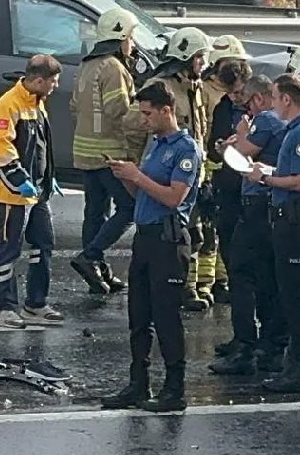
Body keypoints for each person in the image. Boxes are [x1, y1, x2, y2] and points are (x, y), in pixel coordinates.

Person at [101, 81, 202, 413]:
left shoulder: (185, 149)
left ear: (166, 111)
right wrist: (127, 177)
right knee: (139, 314)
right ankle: (138, 384)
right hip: (145, 236)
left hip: (168, 240)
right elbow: (142, 195)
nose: (143, 120)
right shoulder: (155, 144)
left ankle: (175, 389)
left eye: (147, 114)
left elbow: (174, 198)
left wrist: (138, 176)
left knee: (166, 315)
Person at [246, 73, 300, 393]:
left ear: (288, 100)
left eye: (276, 98)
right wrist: (271, 173)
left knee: (293, 297)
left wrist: (265, 180)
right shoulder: (299, 130)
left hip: (294, 222)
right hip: (290, 220)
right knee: (288, 293)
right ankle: (296, 363)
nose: (274, 104)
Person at [210, 74, 288, 375]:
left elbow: (239, 155)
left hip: (257, 207)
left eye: (248, 103)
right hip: (266, 209)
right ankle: (267, 343)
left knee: (241, 273)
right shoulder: (277, 123)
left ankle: (245, 345)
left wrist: (239, 136)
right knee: (266, 277)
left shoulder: (265, 119)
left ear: (258, 99)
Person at [0, 54, 64, 328]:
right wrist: (19, 178)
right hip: (11, 191)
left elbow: (42, 145)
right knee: (9, 249)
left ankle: (36, 304)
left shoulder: (37, 102)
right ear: (39, 80)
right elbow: (2, 147)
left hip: (37, 190)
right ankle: (4, 308)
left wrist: (48, 178)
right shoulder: (7, 105)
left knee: (43, 244)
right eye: (53, 81)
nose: (56, 86)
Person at [138, 27, 214, 311]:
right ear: (188, 57)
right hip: (166, 168)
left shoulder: (193, 86)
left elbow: (199, 128)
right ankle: (179, 288)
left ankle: (186, 285)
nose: (204, 64)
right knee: (175, 232)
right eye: (200, 58)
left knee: (193, 232)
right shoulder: (162, 87)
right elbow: (142, 129)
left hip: (192, 167)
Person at [70, 7, 144, 295]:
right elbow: (119, 112)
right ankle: (91, 256)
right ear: (120, 36)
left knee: (95, 212)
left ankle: (97, 271)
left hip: (85, 152)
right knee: (129, 209)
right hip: (110, 153)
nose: (133, 44)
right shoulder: (114, 69)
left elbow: (75, 106)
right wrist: (141, 107)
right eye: (131, 37)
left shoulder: (87, 65)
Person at [202, 54, 252, 305]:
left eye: (239, 92)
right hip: (227, 184)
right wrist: (221, 146)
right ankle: (227, 283)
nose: (235, 98)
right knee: (226, 237)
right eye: (231, 93)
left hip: (252, 189)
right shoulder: (223, 106)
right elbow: (212, 141)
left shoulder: (259, 111)